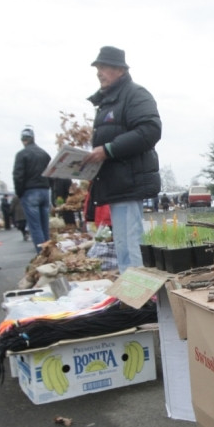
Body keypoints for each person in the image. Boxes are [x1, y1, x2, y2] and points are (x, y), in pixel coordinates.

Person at [83, 46, 161, 272]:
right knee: (124, 246)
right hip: (118, 183)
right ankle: (131, 294)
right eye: (97, 67)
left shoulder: (135, 95)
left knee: (131, 245)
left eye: (104, 67)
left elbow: (150, 129)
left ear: (120, 70)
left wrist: (107, 150)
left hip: (129, 182)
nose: (99, 72)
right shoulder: (111, 101)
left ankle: (139, 298)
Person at [13, 127, 52, 253]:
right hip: (44, 190)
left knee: (35, 226)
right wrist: (48, 185)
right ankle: (49, 251)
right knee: (45, 225)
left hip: (30, 191)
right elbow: (51, 172)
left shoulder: (22, 154)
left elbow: (18, 176)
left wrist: (19, 192)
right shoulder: (44, 154)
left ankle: (42, 254)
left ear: (23, 140)